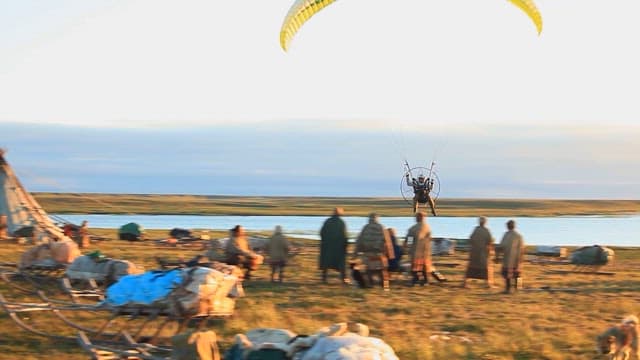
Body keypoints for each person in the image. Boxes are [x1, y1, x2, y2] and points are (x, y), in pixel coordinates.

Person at [355, 213, 395, 291]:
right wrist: (391, 255)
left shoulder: (365, 228)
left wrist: (356, 253)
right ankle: (385, 286)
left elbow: (359, 241)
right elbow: (387, 242)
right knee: (382, 270)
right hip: (379, 254)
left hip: (367, 254)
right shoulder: (381, 227)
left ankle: (371, 284)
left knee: (368, 269)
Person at [462, 217, 495, 289]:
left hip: (474, 253)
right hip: (482, 254)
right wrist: (490, 251)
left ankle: (464, 283)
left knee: (471, 268)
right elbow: (490, 242)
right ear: (485, 222)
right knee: (485, 268)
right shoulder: (486, 230)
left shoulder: (475, 229)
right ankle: (488, 284)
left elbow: (470, 240)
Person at [319, 207, 350, 284]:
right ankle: (344, 279)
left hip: (327, 246)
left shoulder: (327, 221)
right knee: (341, 263)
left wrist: (325, 241)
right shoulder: (341, 222)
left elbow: (321, 232)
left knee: (326, 263)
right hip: (338, 247)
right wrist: (346, 244)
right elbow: (344, 235)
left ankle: (324, 278)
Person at [404, 211, 432, 286]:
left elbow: (409, 240)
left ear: (417, 218)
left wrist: (407, 248)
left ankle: (416, 279)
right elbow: (429, 239)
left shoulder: (413, 228)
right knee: (424, 267)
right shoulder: (427, 227)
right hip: (425, 251)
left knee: (414, 267)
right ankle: (425, 281)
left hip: (415, 251)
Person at [499, 220, 525, 293]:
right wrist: (521, 259)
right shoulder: (519, 236)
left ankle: (508, 289)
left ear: (508, 226)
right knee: (516, 274)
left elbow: (502, 246)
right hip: (516, 258)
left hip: (508, 258)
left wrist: (498, 255)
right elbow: (522, 248)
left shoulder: (506, 235)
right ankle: (516, 289)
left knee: (508, 273)